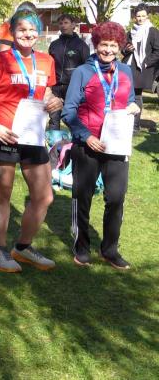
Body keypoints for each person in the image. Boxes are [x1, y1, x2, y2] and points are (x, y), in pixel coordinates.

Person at [0, 9, 63, 273]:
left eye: (32, 30)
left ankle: (23, 247)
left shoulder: (47, 60)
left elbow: (45, 92)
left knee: (44, 196)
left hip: (33, 134)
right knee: (3, 193)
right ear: (13, 32)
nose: (27, 34)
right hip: (5, 132)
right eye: (22, 30)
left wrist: (55, 101)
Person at [62, 22, 140, 269]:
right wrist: (86, 136)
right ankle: (81, 247)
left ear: (119, 47)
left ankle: (110, 249)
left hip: (117, 145)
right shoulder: (83, 72)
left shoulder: (125, 71)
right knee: (82, 197)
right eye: (104, 44)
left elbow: (129, 100)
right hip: (88, 145)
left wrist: (134, 107)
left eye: (113, 45)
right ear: (96, 45)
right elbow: (69, 111)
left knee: (116, 198)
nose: (108, 50)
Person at [47, 14, 90, 130]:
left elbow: (87, 67)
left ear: (73, 25)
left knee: (72, 118)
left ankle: (75, 141)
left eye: (66, 23)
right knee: (54, 118)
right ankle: (54, 140)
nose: (63, 25)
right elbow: (49, 65)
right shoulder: (54, 45)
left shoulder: (81, 45)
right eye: (61, 23)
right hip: (56, 87)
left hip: (72, 87)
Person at [123, 4, 159, 132]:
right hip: (128, 66)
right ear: (134, 17)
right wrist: (127, 49)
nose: (141, 18)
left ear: (147, 16)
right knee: (127, 94)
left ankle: (135, 125)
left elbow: (157, 51)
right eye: (138, 16)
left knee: (136, 95)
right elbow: (123, 49)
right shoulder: (131, 31)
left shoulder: (152, 31)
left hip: (142, 68)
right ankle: (129, 122)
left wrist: (146, 62)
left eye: (143, 16)